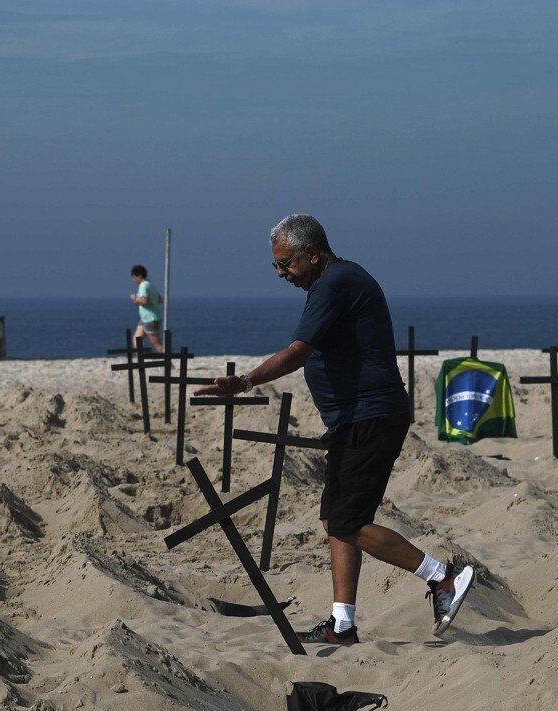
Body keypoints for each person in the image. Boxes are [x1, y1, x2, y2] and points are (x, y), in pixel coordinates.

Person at [193, 214, 475, 644]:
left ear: (312, 253)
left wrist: (245, 382)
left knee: (350, 522)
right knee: (334, 520)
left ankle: (441, 577)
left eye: (286, 263)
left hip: (371, 416)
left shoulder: (335, 283)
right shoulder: (333, 282)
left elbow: (297, 352)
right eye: (275, 266)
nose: (281, 274)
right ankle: (342, 625)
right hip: (351, 421)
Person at [129, 264, 165, 353]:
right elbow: (160, 300)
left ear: (139, 275)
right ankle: (141, 360)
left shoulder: (143, 285)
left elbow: (144, 301)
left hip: (150, 318)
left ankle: (170, 364)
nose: (133, 280)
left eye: (134, 277)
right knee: (137, 339)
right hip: (146, 318)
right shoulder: (150, 284)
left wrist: (135, 298)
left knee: (156, 343)